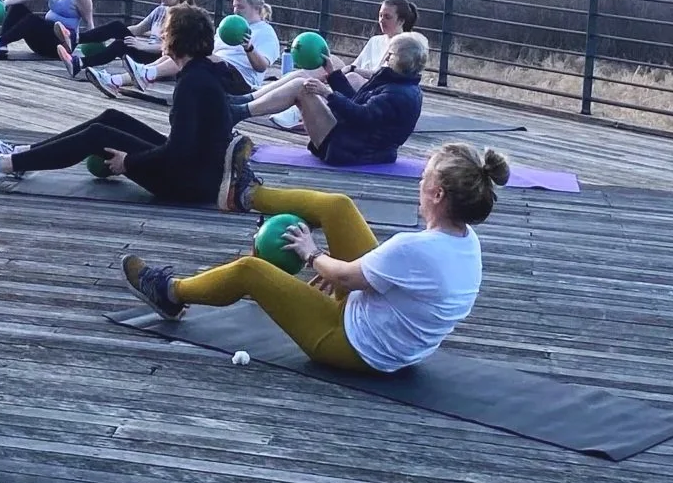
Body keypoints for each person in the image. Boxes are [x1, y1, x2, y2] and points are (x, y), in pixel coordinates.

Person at [122, 141, 505, 373]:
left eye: (425, 178)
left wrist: (313, 254)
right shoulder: (466, 241)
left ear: (438, 194)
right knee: (339, 207)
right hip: (383, 326)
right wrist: (341, 275)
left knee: (250, 271)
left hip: (352, 346)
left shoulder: (415, 248)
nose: (419, 183)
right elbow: (373, 280)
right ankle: (245, 194)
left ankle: (170, 293)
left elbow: (343, 277)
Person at [0, 4, 230, 204]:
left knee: (98, 135)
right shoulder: (201, 72)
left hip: (188, 184)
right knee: (113, 117)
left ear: (175, 39)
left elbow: (179, 150)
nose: (161, 37)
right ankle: (22, 154)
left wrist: (130, 162)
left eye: (165, 32)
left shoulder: (192, 84)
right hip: (199, 173)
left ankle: (2, 166)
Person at [236, 31, 428, 166]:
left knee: (301, 87)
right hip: (354, 143)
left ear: (396, 58)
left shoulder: (398, 93)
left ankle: (240, 112)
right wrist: (333, 74)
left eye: (390, 53)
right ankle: (243, 107)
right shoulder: (398, 84)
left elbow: (361, 116)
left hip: (349, 150)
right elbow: (358, 103)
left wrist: (327, 93)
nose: (386, 56)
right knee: (302, 82)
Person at [103, 0, 278, 97]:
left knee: (192, 56)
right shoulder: (230, 25)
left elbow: (262, 67)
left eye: (240, 7)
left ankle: (146, 74)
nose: (235, 10)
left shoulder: (266, 32)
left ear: (256, 8)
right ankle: (115, 80)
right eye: (234, 5)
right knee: (176, 53)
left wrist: (249, 47)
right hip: (216, 68)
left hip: (241, 81)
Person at [69, 0, 189, 74]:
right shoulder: (160, 10)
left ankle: (80, 61)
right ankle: (76, 42)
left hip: (159, 59)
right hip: (145, 51)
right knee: (117, 27)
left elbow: (172, 48)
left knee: (119, 45)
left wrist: (142, 46)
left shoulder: (184, 16)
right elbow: (138, 29)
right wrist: (113, 33)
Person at [343, 0, 423, 86]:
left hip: (377, 89)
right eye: (380, 15)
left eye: (387, 17)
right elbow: (355, 64)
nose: (381, 20)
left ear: (401, 21)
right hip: (360, 82)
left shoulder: (405, 47)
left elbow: (382, 75)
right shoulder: (374, 40)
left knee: (352, 77)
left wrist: (352, 70)